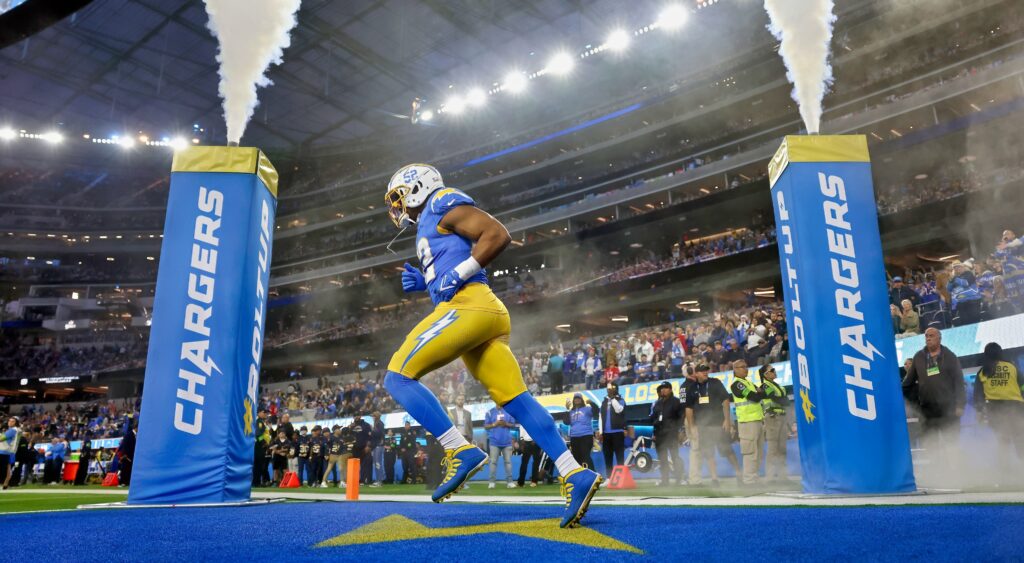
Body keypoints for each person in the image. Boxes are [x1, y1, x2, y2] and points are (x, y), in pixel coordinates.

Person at [381, 164, 600, 527]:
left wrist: (457, 273)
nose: (398, 206)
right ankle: (574, 473)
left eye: (399, 197)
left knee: (397, 378)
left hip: (470, 305)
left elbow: (497, 234)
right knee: (516, 399)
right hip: (480, 311)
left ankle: (459, 448)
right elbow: (449, 266)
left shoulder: (440, 203)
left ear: (419, 187)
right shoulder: (429, 222)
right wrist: (428, 281)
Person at [902, 327, 965, 468]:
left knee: (951, 442)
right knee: (930, 443)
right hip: (927, 408)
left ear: (939, 338)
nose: (928, 338)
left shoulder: (950, 356)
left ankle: (956, 472)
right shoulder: (919, 357)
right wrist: (896, 394)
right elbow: (908, 382)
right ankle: (937, 473)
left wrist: (960, 405)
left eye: (931, 335)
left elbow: (959, 382)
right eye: (926, 336)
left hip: (948, 408)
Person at [683, 363, 739, 486]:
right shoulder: (692, 388)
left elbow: (725, 400)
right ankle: (714, 478)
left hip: (719, 423)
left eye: (706, 370)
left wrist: (727, 419)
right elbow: (689, 409)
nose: (705, 372)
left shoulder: (715, 382)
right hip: (703, 426)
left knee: (727, 450)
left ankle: (738, 473)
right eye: (702, 371)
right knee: (709, 453)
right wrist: (692, 427)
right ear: (696, 373)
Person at [973, 342, 1024, 469]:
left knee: (1002, 441)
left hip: (995, 409)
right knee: (1020, 439)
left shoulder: (983, 371)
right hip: (1016, 407)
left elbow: (978, 394)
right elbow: (1022, 385)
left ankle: (1005, 472)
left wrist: (979, 412)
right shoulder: (1012, 367)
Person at [730, 359, 765, 485]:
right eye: (742, 367)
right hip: (747, 422)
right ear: (735, 369)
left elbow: (762, 394)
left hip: (757, 420)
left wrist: (758, 393)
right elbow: (755, 397)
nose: (746, 369)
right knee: (750, 453)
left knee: (759, 452)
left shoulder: (748, 382)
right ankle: (749, 481)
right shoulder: (736, 384)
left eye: (746, 366)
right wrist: (758, 393)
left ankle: (754, 478)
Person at [649, 382, 685, 486]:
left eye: (665, 388)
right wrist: (654, 432)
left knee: (675, 457)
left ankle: (680, 479)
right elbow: (652, 418)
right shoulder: (657, 403)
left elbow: (681, 418)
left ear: (670, 389)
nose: (663, 390)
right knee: (662, 459)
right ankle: (665, 480)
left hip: (671, 434)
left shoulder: (676, 402)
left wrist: (679, 431)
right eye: (661, 388)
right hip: (660, 434)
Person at [759, 364, 789, 483]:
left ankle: (783, 477)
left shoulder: (779, 387)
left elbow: (781, 399)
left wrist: (783, 400)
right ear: (765, 374)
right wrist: (784, 400)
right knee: (772, 449)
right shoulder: (765, 385)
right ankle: (770, 478)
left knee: (782, 448)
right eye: (771, 370)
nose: (774, 371)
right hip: (772, 417)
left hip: (781, 416)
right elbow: (775, 398)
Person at [484, 404, 517, 489]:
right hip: (494, 442)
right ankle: (491, 482)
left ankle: (510, 482)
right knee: (493, 462)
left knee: (508, 462)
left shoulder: (508, 411)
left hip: (507, 442)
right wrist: (495, 424)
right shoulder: (490, 412)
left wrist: (505, 423)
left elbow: (513, 424)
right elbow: (486, 426)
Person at [599, 383, 627, 474]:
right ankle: (608, 478)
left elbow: (618, 410)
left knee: (619, 456)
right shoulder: (603, 402)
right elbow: (600, 417)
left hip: (617, 432)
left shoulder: (621, 400)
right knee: (607, 456)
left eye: (612, 388)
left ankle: (621, 477)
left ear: (616, 389)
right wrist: (600, 432)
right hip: (606, 433)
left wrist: (612, 398)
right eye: (608, 388)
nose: (609, 390)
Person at [565, 393, 598, 471]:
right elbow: (566, 422)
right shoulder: (571, 411)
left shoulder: (587, 409)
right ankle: (581, 475)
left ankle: (593, 474)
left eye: (579, 398)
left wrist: (592, 403)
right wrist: (567, 409)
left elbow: (596, 411)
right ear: (573, 400)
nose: (577, 400)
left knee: (585, 455)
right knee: (576, 457)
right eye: (575, 398)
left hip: (586, 435)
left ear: (582, 400)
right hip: (574, 437)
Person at [516, 423, 541, 487]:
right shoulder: (523, 420)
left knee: (536, 463)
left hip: (536, 443)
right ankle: (521, 482)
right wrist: (522, 440)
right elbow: (521, 430)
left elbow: (539, 430)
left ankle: (534, 481)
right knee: (524, 463)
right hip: (526, 443)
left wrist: (536, 440)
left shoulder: (536, 420)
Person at [1, 416, 21, 490]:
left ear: (16, 423)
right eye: (9, 421)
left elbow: (1, 439)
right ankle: (5, 484)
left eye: (12, 421)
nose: (10, 422)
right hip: (11, 451)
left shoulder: (13, 430)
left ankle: (5, 484)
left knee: (7, 469)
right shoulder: (17, 430)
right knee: (8, 469)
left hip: (5, 451)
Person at [252, 408, 270, 487]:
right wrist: (264, 443)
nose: (265, 414)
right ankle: (257, 482)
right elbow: (258, 434)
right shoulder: (259, 422)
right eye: (264, 412)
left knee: (258, 465)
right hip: (259, 446)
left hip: (259, 446)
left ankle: (256, 481)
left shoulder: (261, 421)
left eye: (266, 413)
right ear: (258, 413)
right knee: (258, 465)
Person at [370, 412, 385, 487]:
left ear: (376, 417)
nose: (372, 417)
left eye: (373, 416)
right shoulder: (377, 423)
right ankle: (378, 480)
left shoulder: (379, 423)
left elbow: (380, 434)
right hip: (376, 445)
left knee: (378, 463)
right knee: (376, 463)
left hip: (379, 445)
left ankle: (380, 481)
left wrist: (372, 430)